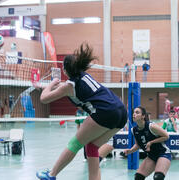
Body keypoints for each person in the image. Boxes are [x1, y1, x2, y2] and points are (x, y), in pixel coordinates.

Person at [34, 43, 127, 180]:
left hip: (104, 111)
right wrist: (46, 85)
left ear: (65, 70)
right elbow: (64, 87)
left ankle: (51, 174)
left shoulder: (69, 86)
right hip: (121, 111)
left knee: (75, 144)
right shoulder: (83, 76)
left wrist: (52, 83)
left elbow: (43, 98)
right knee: (92, 147)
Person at [123, 106, 171, 180]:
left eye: (137, 112)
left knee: (158, 177)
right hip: (151, 156)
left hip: (163, 153)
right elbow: (137, 145)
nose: (134, 114)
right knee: (138, 177)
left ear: (143, 116)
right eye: (133, 113)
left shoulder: (151, 126)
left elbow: (166, 136)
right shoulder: (134, 130)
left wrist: (151, 142)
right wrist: (130, 150)